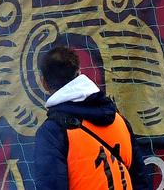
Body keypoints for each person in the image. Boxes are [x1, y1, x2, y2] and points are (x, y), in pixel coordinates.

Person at [32, 45, 153, 190]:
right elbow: (141, 181)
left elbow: (50, 186)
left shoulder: (52, 132)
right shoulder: (118, 119)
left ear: (44, 83)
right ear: (79, 72)